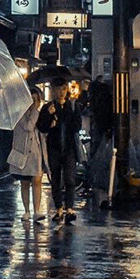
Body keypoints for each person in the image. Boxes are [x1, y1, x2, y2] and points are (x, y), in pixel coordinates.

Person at [37, 81, 81, 225]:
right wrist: (50, 117)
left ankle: (69, 208)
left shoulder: (73, 105)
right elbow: (42, 128)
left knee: (70, 178)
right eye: (58, 88)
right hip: (54, 148)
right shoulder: (48, 107)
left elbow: (77, 126)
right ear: (54, 90)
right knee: (55, 178)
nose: (61, 92)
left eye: (63, 88)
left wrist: (68, 115)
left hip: (69, 148)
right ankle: (59, 208)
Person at [9, 84, 47, 223]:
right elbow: (28, 127)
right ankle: (26, 211)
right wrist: (35, 112)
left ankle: (37, 210)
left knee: (37, 180)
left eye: (36, 100)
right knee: (25, 181)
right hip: (23, 151)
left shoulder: (38, 113)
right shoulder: (20, 114)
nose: (33, 103)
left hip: (36, 151)